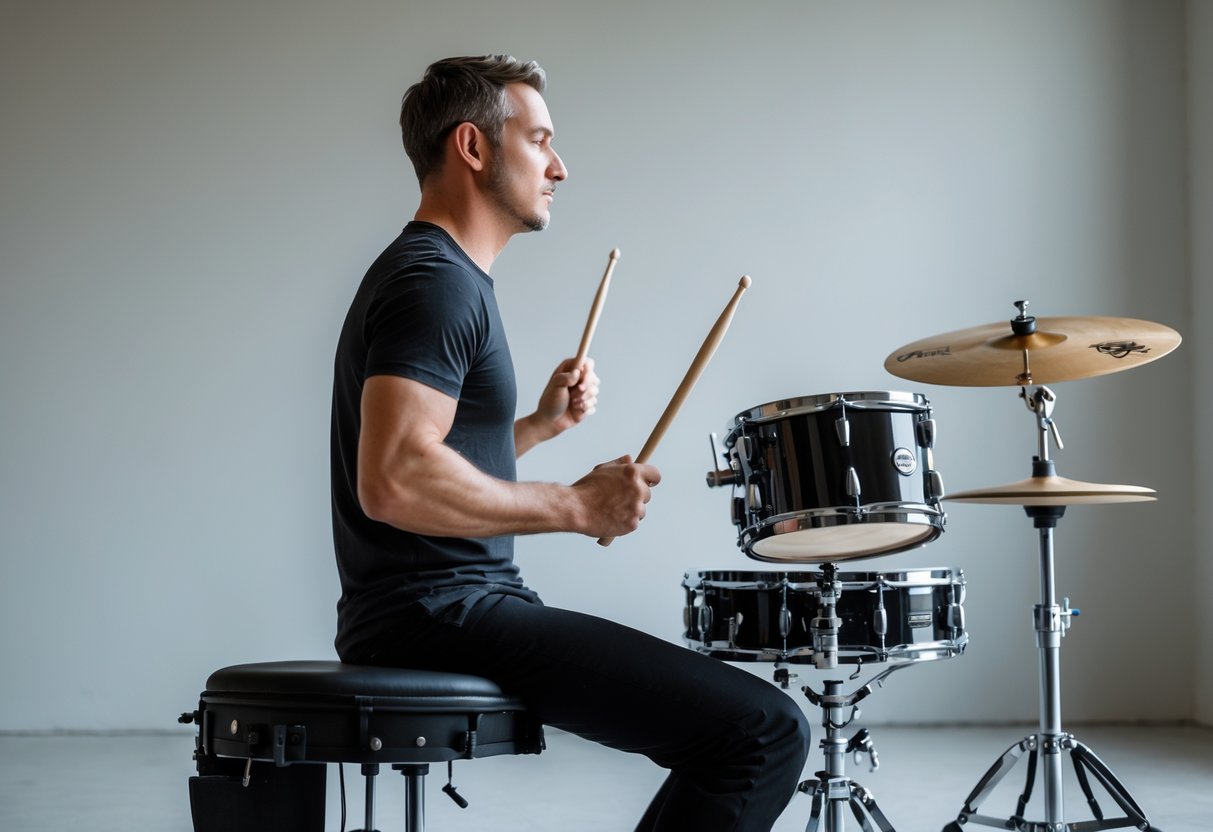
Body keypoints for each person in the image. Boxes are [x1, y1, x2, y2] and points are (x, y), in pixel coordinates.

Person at [330, 54, 810, 831]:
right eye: (540, 140)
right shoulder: (435, 282)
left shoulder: (441, 276)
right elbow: (392, 481)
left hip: (444, 606)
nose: (559, 166)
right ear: (473, 148)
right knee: (760, 732)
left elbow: (429, 458)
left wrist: (537, 428)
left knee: (750, 729)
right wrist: (576, 505)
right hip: (440, 613)